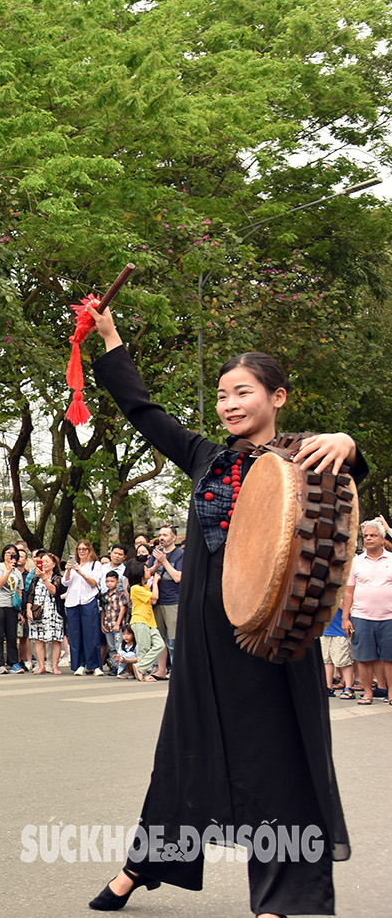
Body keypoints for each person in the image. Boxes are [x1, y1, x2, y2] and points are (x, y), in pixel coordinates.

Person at [85, 303, 361, 916]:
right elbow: (143, 410)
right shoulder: (208, 459)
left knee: (280, 764)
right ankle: (142, 866)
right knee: (183, 758)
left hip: (275, 641)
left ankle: (281, 899)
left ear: (277, 396)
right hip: (206, 642)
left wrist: (347, 443)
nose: (229, 404)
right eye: (221, 395)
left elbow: (345, 481)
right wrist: (108, 336)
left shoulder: (304, 457)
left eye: (243, 392)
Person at [343, 517, 392, 706]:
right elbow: (349, 591)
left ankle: (390, 694)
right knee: (364, 658)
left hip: (389, 617)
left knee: (389, 658)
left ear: (382, 539)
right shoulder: (356, 562)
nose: (369, 538)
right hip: (361, 617)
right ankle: (367, 693)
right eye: (366, 536)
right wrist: (345, 618)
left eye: (373, 535)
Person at [63, 539, 105, 676]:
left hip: (88, 601)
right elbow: (65, 582)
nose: (81, 552)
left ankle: (95, 665)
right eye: (79, 549)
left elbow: (93, 583)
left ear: (89, 550)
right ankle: (79, 664)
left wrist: (81, 572)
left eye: (84, 549)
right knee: (75, 635)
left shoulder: (95, 565)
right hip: (72, 602)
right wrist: (69, 571)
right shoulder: (73, 565)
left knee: (91, 634)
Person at [147, 524, 183, 662]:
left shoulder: (180, 554)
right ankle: (161, 670)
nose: (161, 538)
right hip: (156, 600)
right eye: (160, 535)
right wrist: (156, 565)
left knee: (173, 640)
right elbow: (146, 574)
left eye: (165, 535)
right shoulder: (156, 552)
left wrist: (164, 561)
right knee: (159, 640)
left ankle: (176, 670)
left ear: (174, 538)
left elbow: (178, 577)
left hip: (172, 601)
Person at [0, 545, 22, 674]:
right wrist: (8, 571)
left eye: (13, 554)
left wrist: (20, 611)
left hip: (11, 606)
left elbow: (19, 591)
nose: (10, 556)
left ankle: (13, 662)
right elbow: (0, 583)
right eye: (8, 553)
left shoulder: (17, 572)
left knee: (12, 636)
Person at [128, 575, 166, 682]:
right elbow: (155, 597)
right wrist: (155, 582)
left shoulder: (145, 588)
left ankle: (141, 667)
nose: (149, 570)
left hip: (150, 621)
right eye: (146, 569)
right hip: (140, 619)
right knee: (144, 648)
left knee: (160, 645)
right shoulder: (135, 588)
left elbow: (153, 601)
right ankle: (142, 672)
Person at [100, 572, 129, 676]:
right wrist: (102, 623)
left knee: (118, 646)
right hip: (108, 625)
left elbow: (123, 609)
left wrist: (118, 623)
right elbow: (103, 610)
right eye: (107, 581)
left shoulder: (120, 595)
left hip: (117, 625)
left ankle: (122, 667)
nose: (109, 583)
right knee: (111, 647)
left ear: (117, 582)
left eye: (112, 581)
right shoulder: (105, 595)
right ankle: (115, 666)